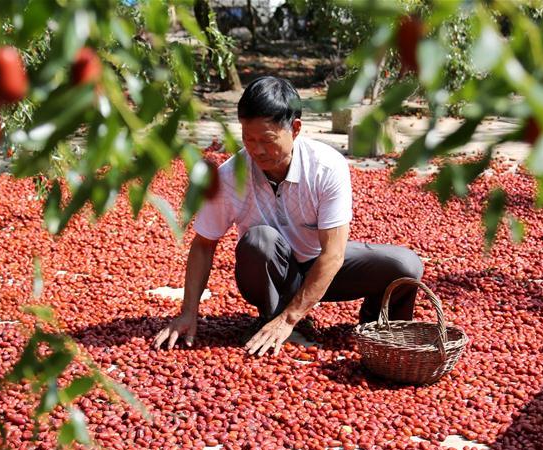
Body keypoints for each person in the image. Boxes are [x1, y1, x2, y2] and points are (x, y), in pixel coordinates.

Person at [153, 76, 424, 356]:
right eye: (248, 138)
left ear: (295, 129)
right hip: (270, 271)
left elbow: (333, 255)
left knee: (405, 265)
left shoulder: (326, 167)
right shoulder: (231, 177)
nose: (256, 150)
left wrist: (290, 317)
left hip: (321, 266)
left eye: (267, 140)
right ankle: (271, 318)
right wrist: (188, 313)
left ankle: (378, 329)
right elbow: (203, 245)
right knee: (260, 240)